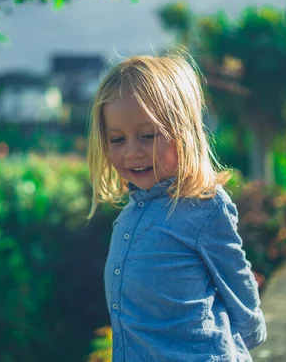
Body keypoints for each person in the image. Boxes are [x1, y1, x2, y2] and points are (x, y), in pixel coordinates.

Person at [86, 54, 267, 361]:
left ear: (182, 130)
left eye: (147, 136)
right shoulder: (129, 216)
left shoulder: (203, 208)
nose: (132, 152)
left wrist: (241, 344)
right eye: (117, 139)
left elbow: (240, 291)